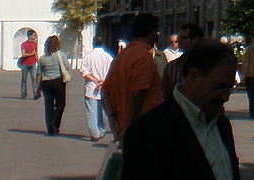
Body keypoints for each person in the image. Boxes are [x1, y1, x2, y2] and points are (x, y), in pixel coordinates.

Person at [121, 40, 241, 180]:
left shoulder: (222, 125)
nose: (225, 96)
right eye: (219, 87)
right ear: (193, 76)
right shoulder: (147, 131)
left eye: (230, 87)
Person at [103, 12, 163, 141]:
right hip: (142, 131)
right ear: (152, 32)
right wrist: (130, 129)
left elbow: (104, 93)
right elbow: (137, 94)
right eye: (157, 32)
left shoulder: (121, 56)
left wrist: (114, 123)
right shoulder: (143, 56)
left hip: (123, 127)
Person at [36, 34, 72, 136]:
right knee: (61, 104)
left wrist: (37, 88)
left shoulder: (42, 58)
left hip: (46, 83)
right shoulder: (61, 55)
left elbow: (39, 73)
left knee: (48, 106)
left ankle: (50, 129)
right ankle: (55, 123)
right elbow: (68, 67)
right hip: (58, 81)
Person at [81, 35, 114, 141]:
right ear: (102, 44)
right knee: (103, 111)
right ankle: (102, 129)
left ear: (93, 43)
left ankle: (94, 133)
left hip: (92, 87)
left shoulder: (88, 56)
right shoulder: (108, 57)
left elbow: (84, 72)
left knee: (91, 111)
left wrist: (96, 81)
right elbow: (112, 72)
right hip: (105, 86)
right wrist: (103, 81)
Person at [161, 22, 204, 100]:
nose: (179, 41)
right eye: (179, 38)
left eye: (183, 38)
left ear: (195, 39)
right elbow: (165, 95)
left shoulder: (209, 65)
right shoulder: (172, 67)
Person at [20, 29, 40, 99]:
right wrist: (32, 54)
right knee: (24, 80)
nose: (35, 37)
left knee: (34, 79)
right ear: (30, 36)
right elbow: (23, 54)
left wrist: (38, 61)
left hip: (33, 63)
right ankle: (23, 94)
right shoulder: (24, 44)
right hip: (25, 64)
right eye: (34, 35)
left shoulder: (35, 44)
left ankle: (35, 94)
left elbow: (36, 54)